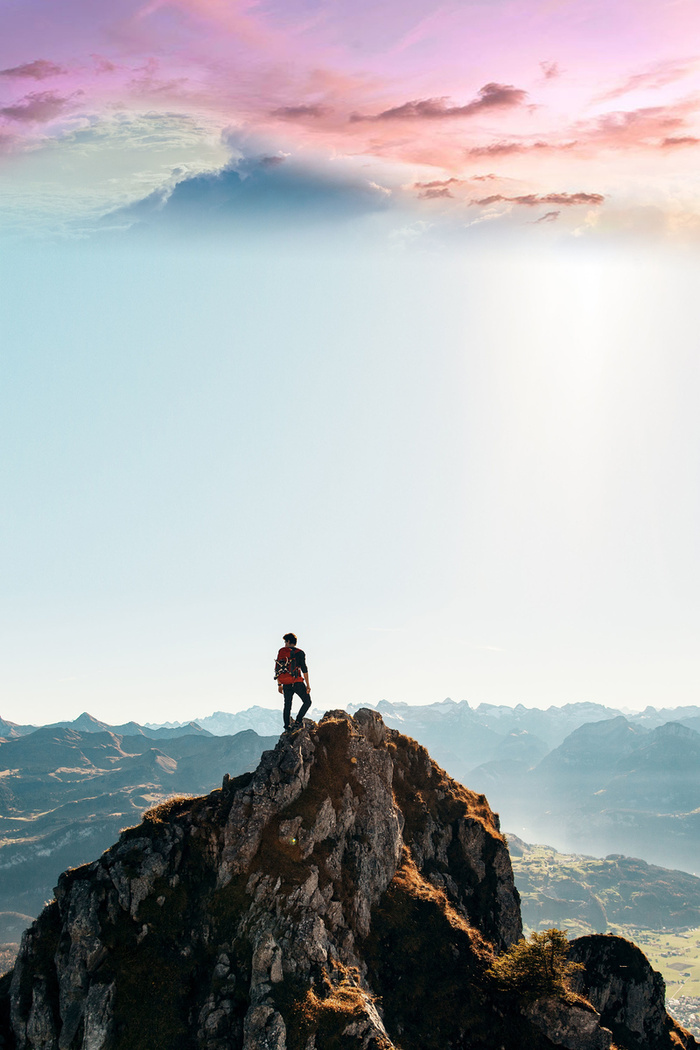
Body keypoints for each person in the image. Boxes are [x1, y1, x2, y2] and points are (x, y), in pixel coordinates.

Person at [274, 632, 311, 732]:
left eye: (285, 642)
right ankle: (298, 722)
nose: (285, 644)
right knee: (307, 701)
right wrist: (308, 685)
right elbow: (304, 669)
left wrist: (279, 684)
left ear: (289, 641)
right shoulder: (300, 653)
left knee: (287, 705)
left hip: (285, 683)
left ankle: (287, 727)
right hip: (297, 682)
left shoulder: (282, 652)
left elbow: (278, 668)